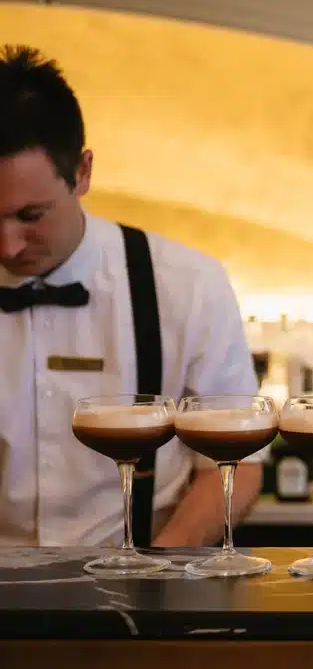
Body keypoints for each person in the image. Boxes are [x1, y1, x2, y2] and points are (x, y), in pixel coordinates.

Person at [0, 45, 264, 547]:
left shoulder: (188, 285)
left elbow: (234, 466)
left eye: (30, 216)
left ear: (82, 172)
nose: (7, 246)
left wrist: (154, 579)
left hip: (144, 588)